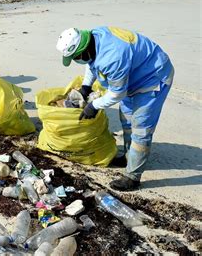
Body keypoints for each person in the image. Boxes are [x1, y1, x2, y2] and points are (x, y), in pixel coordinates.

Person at [56, 26, 174, 191]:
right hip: (133, 77)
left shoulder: (113, 57)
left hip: (153, 78)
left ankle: (133, 176)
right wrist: (85, 86)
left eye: (76, 58)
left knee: (141, 127)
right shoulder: (93, 38)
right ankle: (128, 156)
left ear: (83, 51)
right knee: (126, 119)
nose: (77, 60)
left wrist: (93, 106)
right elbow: (91, 63)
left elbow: (117, 94)